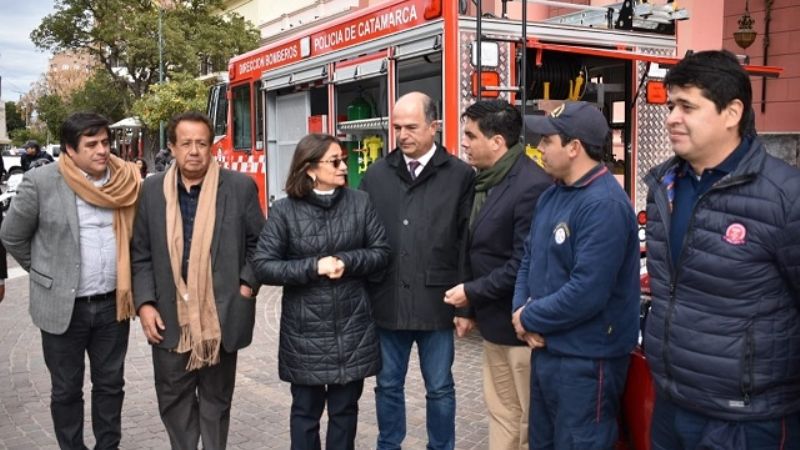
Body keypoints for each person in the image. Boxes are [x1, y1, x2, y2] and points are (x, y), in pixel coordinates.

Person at [643, 50, 800, 449]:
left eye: (687, 106)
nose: (671, 117)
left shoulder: (785, 197)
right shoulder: (663, 187)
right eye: (671, 105)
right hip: (672, 403)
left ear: (732, 113)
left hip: (747, 420)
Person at [0, 112, 141, 449]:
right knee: (66, 389)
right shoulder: (42, 182)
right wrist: (46, 274)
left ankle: (108, 446)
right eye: (91, 144)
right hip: (63, 308)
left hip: (112, 306)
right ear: (69, 149)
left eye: (105, 142)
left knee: (111, 386)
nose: (102, 150)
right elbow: (12, 236)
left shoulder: (126, 179)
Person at [130, 111, 265, 450]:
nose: (194, 151)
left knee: (216, 403)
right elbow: (140, 252)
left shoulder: (239, 187)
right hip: (168, 316)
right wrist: (144, 304)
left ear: (211, 147)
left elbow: (260, 245)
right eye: (186, 143)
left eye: (201, 143)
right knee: (173, 402)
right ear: (172, 147)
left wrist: (246, 285)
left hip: (220, 316)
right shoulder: (151, 190)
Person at [511, 101, 640, 449]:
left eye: (547, 140)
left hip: (586, 362)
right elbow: (528, 259)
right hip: (547, 349)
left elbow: (587, 291)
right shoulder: (551, 196)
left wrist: (529, 317)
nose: (539, 148)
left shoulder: (604, 205)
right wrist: (520, 311)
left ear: (574, 147)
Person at [253, 133, 390, 450]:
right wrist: (313, 267)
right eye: (335, 161)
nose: (343, 166)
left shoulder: (360, 202)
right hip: (305, 334)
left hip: (352, 328)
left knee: (345, 412)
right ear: (310, 168)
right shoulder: (285, 211)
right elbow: (264, 265)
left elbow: (382, 252)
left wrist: (346, 261)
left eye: (343, 159)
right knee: (305, 413)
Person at [360, 91, 475, 450]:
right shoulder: (376, 175)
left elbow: (466, 243)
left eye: (411, 127)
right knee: (387, 385)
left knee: (439, 388)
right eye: (397, 128)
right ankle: (388, 445)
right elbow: (362, 237)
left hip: (437, 303)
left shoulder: (459, 175)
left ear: (434, 126)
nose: (402, 135)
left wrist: (465, 307)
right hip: (388, 302)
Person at [444, 100, 551, 449]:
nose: (464, 143)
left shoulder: (531, 185)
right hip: (493, 324)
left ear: (497, 142)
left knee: (526, 419)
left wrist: (472, 292)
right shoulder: (483, 181)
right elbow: (471, 246)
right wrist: (468, 308)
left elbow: (522, 263)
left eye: (471, 136)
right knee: (502, 413)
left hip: (520, 329)